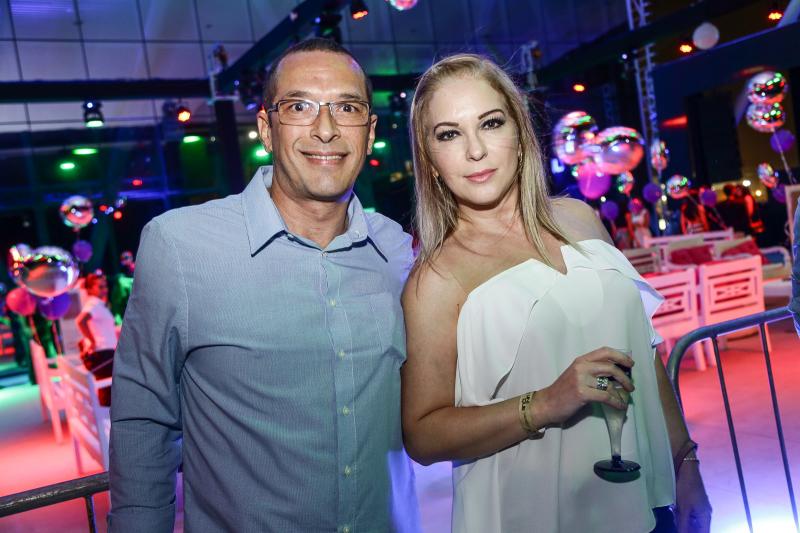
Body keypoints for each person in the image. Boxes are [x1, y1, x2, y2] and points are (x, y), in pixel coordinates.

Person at [109, 38, 420, 532]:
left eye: (347, 108)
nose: (326, 129)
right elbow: (143, 419)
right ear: (266, 129)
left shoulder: (396, 250)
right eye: (299, 107)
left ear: (369, 132)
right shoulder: (180, 246)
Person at [401, 54, 711, 533]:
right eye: (449, 134)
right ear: (430, 160)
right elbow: (423, 435)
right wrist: (545, 403)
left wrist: (685, 462)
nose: (475, 150)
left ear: (520, 133)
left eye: (490, 123)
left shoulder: (580, 219)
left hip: (643, 500)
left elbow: (643, 356)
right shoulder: (437, 279)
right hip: (533, 514)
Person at [76, 271, 117, 406]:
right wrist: (93, 341)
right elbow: (80, 321)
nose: (105, 289)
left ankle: (105, 417)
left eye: (105, 286)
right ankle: (106, 418)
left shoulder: (98, 304)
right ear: (89, 289)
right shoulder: (93, 304)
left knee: (108, 391)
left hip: (105, 353)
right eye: (100, 287)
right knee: (109, 392)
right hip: (103, 353)